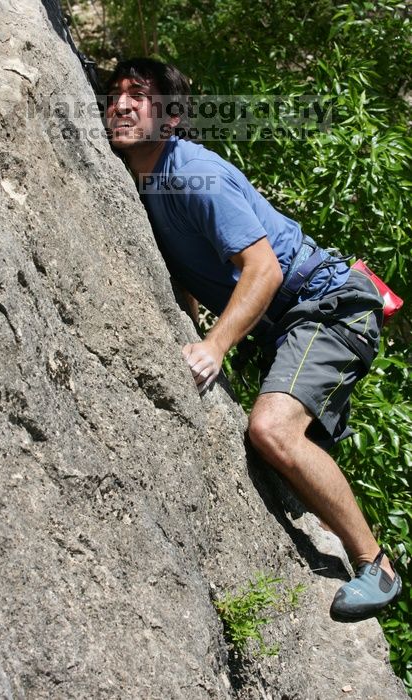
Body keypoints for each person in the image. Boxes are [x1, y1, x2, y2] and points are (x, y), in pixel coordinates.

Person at [104, 57, 402, 622]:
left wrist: (214, 346)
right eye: (114, 94)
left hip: (329, 306)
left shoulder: (194, 172)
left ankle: (377, 567)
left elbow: (261, 268)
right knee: (282, 456)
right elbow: (188, 269)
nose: (119, 104)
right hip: (291, 323)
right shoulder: (140, 188)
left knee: (270, 428)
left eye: (137, 95)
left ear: (169, 119)